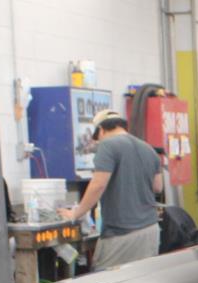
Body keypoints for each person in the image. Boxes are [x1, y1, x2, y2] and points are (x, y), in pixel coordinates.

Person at [59, 109, 163, 270]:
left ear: (101, 130)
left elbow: (98, 185)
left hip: (123, 233)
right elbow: (157, 187)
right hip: (150, 230)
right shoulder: (148, 148)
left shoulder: (108, 145)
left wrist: (76, 213)